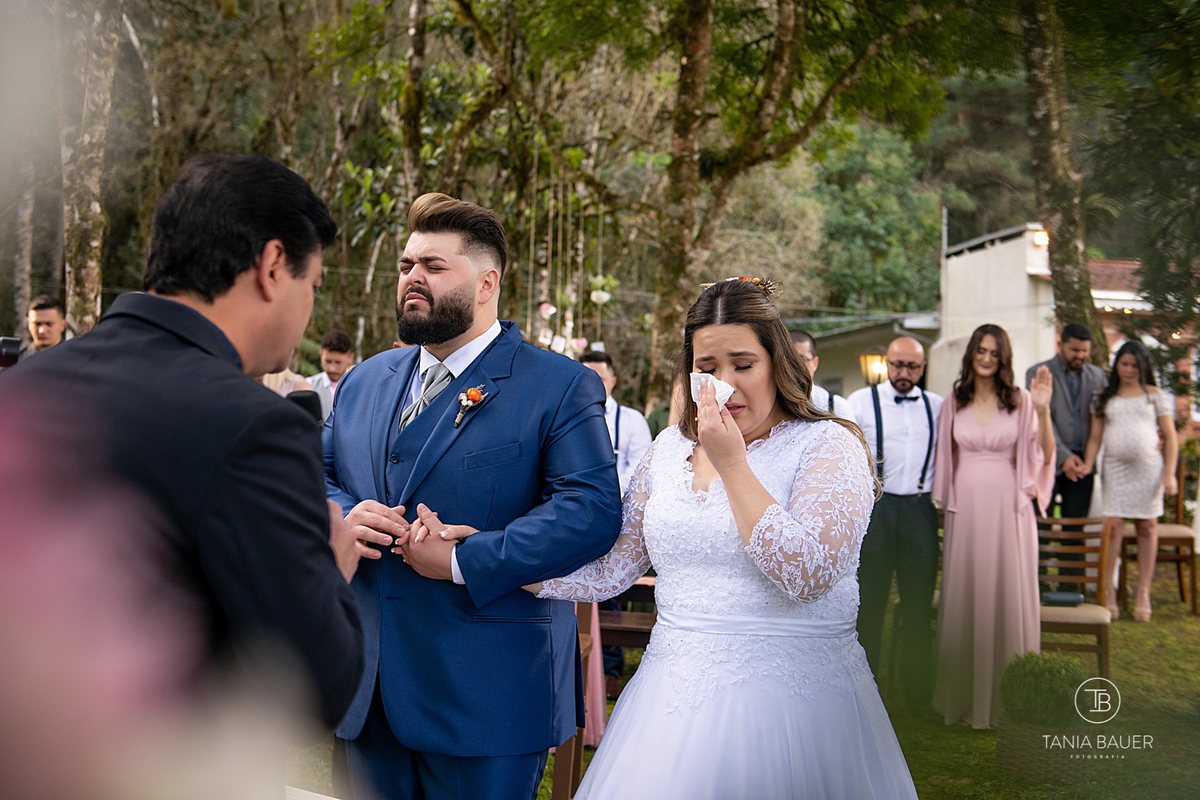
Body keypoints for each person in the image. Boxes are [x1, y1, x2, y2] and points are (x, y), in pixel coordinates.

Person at [438, 277, 918, 799]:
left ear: (778, 362)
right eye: (707, 370)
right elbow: (609, 569)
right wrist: (481, 552)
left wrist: (732, 462)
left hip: (797, 710)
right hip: (670, 703)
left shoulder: (830, 445)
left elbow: (809, 575)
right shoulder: (669, 449)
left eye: (743, 364)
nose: (724, 386)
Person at [0, 154, 365, 731]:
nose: (308, 309)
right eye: (312, 285)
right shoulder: (256, 428)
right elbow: (314, 687)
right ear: (272, 266)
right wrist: (329, 566)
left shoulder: (21, 389)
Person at [323, 193, 621, 800]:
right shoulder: (361, 380)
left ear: (487, 283)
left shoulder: (560, 386)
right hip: (365, 690)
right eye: (407, 265)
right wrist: (340, 513)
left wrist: (464, 560)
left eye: (434, 267)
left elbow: (591, 511)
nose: (412, 279)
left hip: (486, 693)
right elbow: (315, 474)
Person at [932, 324, 1055, 729]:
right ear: (971, 354)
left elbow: (1043, 453)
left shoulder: (1019, 400)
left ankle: (1007, 701)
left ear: (1004, 359)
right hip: (965, 508)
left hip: (1008, 508)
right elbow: (944, 457)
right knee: (968, 592)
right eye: (981, 351)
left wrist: (1042, 409)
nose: (987, 358)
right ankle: (963, 696)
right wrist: (943, 501)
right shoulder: (954, 400)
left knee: (1006, 591)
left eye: (994, 353)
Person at [847, 336, 944, 708]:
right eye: (898, 365)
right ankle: (865, 691)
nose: (904, 373)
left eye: (912, 367)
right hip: (878, 509)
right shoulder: (860, 402)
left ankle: (917, 695)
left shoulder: (937, 407)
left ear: (922, 369)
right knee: (869, 601)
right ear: (886, 364)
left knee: (918, 605)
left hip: (920, 510)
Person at [1082, 339, 1178, 622]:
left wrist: (1169, 473)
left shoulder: (1155, 396)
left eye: (1135, 365)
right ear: (1117, 365)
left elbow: (1170, 437)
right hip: (1115, 470)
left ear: (1144, 367)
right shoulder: (1103, 397)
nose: (1129, 370)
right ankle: (1109, 592)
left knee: (1147, 527)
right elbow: (1095, 437)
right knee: (1114, 528)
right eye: (1124, 364)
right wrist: (1088, 464)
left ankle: (1143, 593)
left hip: (1148, 470)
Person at [1025, 323, 1107, 590]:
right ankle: (1038, 586)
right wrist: (1063, 457)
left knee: (1075, 527)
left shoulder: (1098, 377)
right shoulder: (1037, 373)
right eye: (1074, 350)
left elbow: (1099, 423)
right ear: (1060, 344)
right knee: (1041, 525)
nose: (1079, 356)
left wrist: (1087, 463)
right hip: (1047, 458)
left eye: (1084, 351)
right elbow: (1038, 420)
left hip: (1082, 464)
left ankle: (1072, 587)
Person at [578, 350, 653, 495]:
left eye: (600, 379)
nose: (592, 385)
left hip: (619, 502)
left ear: (613, 381)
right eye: (585, 379)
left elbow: (640, 470)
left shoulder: (633, 420)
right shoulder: (564, 418)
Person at [793, 329, 852, 419]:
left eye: (802, 359)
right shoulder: (769, 405)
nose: (796, 366)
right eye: (788, 360)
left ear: (815, 363)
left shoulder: (836, 406)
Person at [308, 328, 355, 419]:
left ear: (350, 358)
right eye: (328, 361)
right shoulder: (309, 386)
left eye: (338, 362)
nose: (332, 369)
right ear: (321, 355)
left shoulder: (360, 386)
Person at [19, 294, 69, 360]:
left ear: (62, 325)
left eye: (49, 324)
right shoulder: (16, 361)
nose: (42, 330)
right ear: (29, 324)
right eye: (37, 324)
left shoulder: (77, 362)